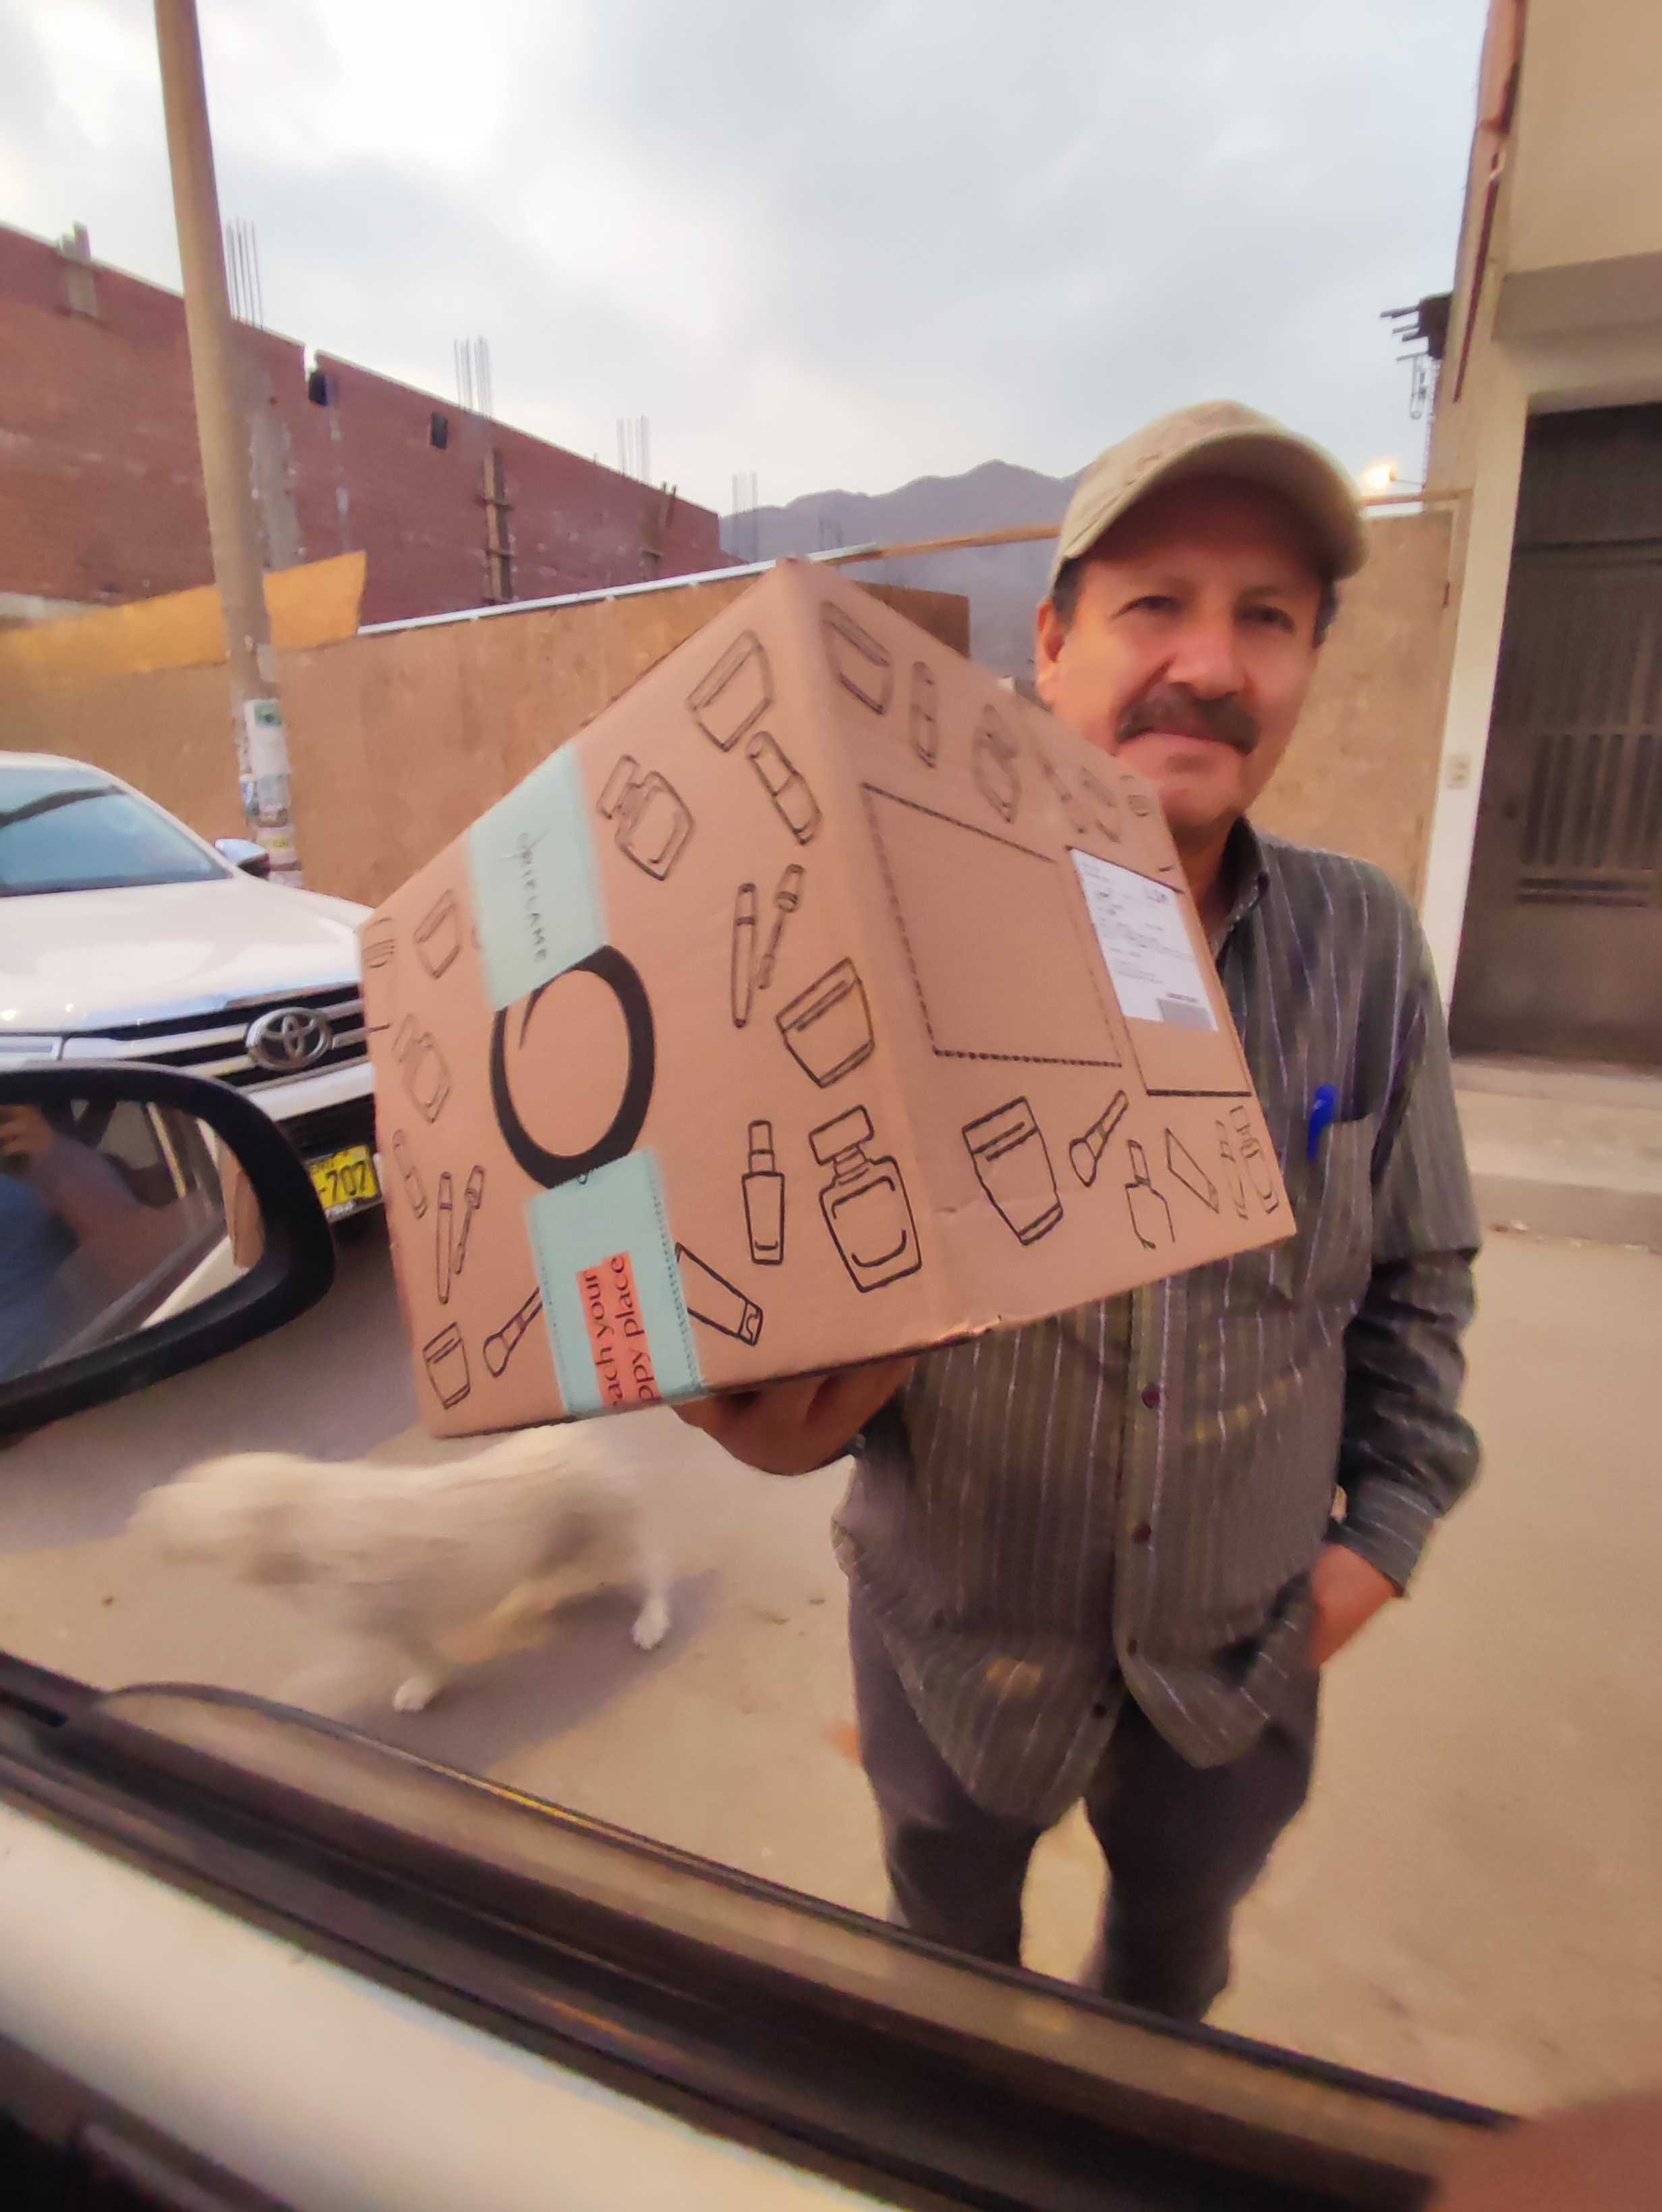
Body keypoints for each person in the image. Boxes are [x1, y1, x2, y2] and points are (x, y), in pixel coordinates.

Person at [679, 401, 1481, 2021]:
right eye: (1153, 605)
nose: (1210, 662)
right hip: (950, 1650)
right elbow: (777, 1262)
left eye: (1267, 617)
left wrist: (1374, 1546)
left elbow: (1416, 1273)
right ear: (1049, 648)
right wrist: (756, 1398)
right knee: (945, 1973)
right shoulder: (886, 921)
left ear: (1308, 663)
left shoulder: (1363, 944)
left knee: (1169, 1977)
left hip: (1237, 1664)